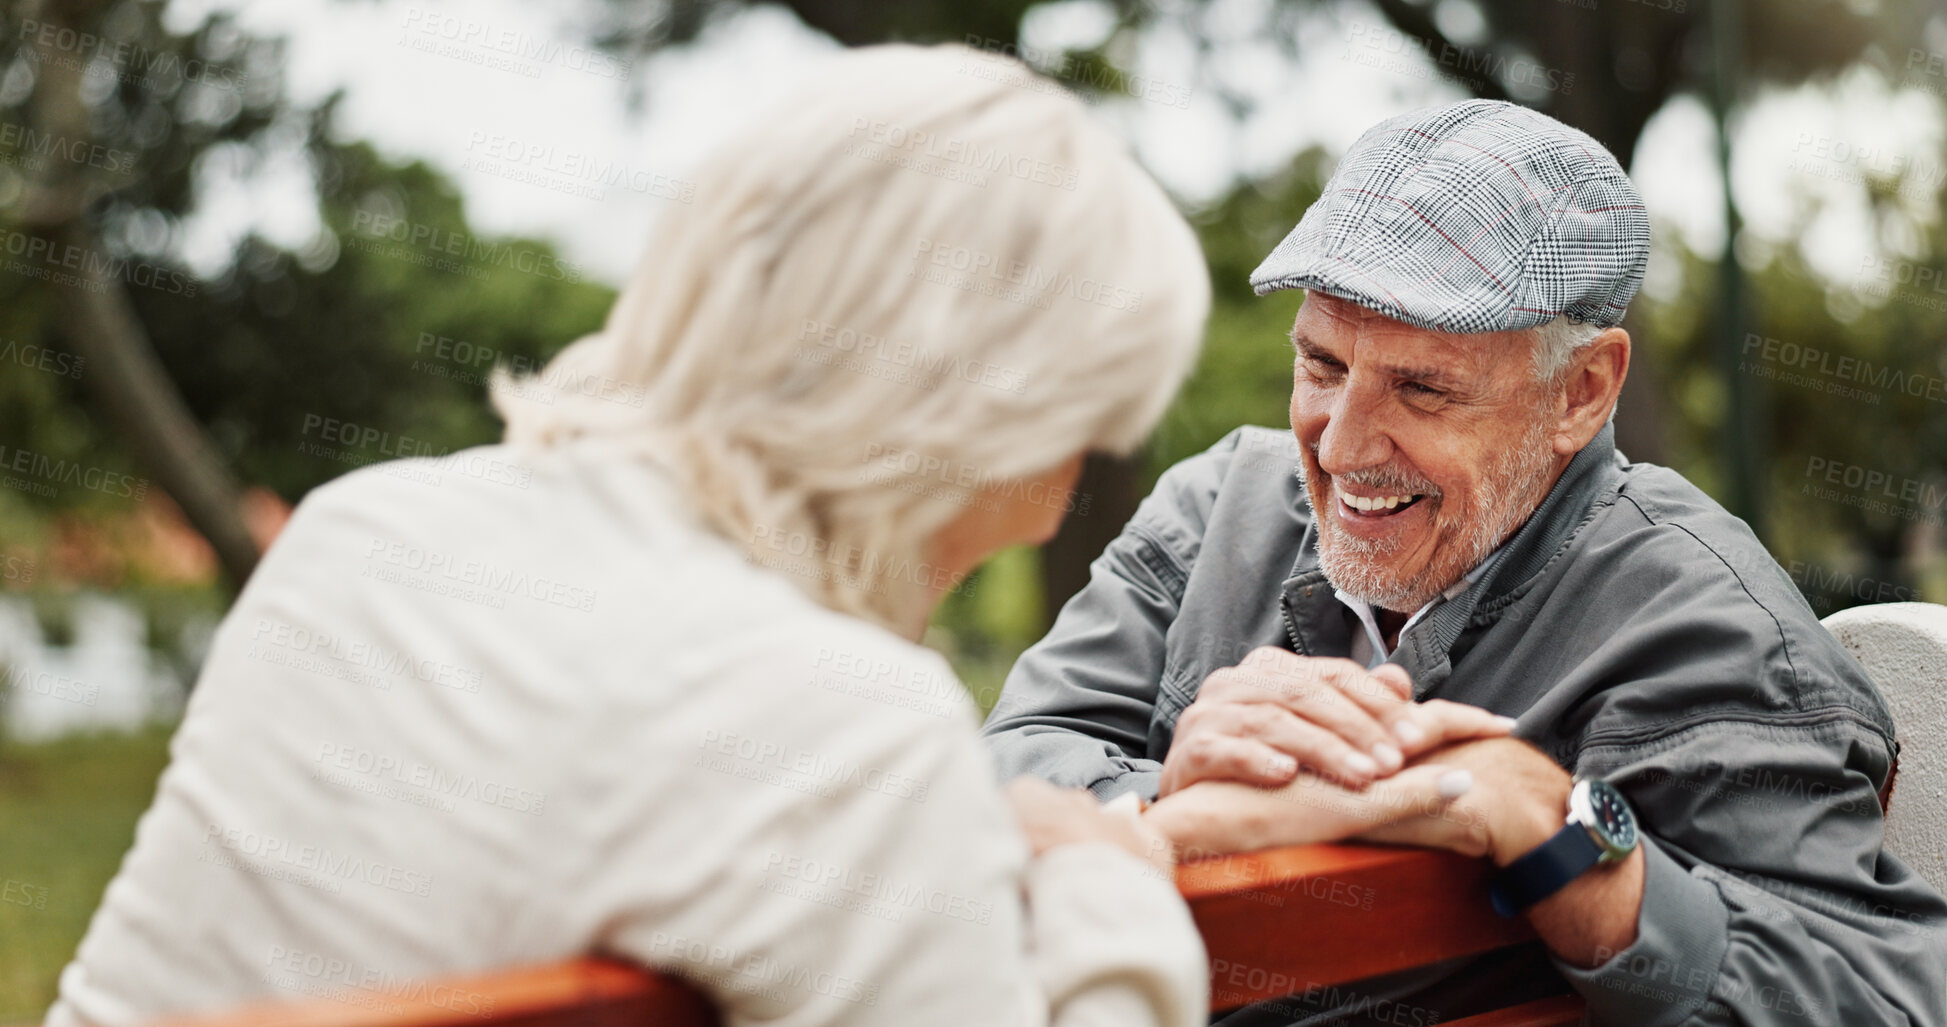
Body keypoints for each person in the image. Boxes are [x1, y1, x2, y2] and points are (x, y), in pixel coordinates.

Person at [54, 43, 1280, 1027]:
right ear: (972, 423)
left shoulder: (362, 531)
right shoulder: (843, 723)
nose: (1058, 499)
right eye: (1076, 435)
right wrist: (1111, 893)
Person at [984, 99, 1947, 1026]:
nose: (1341, 444)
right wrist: (1176, 806)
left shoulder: (1709, 632)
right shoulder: (1216, 506)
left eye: (1421, 388)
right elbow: (1002, 763)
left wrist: (1551, 823)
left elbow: (1881, 999)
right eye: (1320, 366)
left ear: (1581, 389)